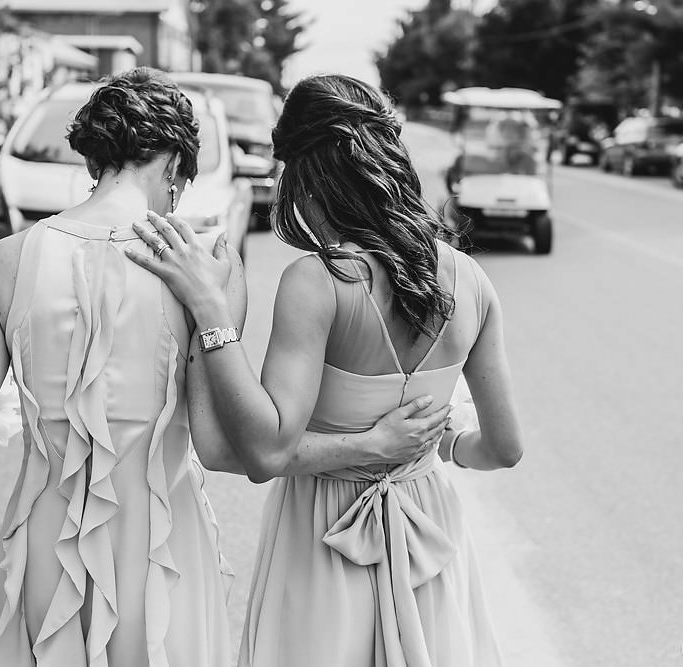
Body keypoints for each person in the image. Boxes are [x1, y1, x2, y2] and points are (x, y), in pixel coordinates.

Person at [0, 67, 449, 667]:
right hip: (163, 551)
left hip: (46, 549)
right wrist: (373, 444)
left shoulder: (1, 262)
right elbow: (223, 449)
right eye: (182, 183)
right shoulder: (205, 270)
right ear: (173, 165)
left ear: (97, 159)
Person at [127, 73, 524, 667]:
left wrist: (211, 311)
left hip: (324, 530)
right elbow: (504, 448)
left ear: (309, 173)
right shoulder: (471, 280)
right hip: (431, 539)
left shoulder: (318, 282)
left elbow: (264, 452)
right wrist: (435, 444)